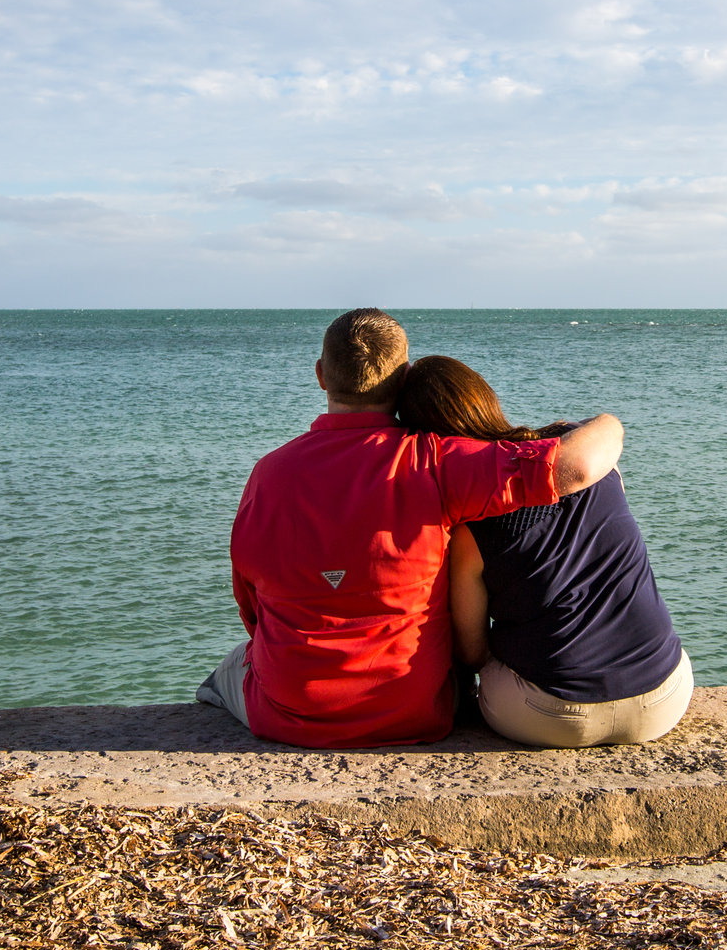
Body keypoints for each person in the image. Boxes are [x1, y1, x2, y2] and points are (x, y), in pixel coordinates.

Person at [198, 309, 625, 748]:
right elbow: (575, 467)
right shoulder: (439, 461)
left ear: (322, 375)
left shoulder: (269, 474)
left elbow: (251, 606)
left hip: (290, 715)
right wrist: (610, 420)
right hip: (413, 712)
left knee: (227, 672)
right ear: (402, 377)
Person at [390, 355, 692, 748]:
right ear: (487, 398)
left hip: (552, 717)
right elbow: (604, 440)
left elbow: (473, 651)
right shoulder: (584, 453)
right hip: (664, 697)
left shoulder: (470, 527)